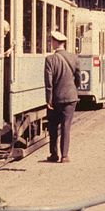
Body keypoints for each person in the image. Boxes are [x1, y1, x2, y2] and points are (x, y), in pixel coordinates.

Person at [44, 30, 80, 163]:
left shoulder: (50, 59)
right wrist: (74, 90)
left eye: (51, 41)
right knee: (66, 126)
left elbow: (48, 82)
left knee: (53, 127)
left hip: (56, 99)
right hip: (71, 97)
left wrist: (48, 100)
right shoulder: (74, 57)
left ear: (55, 42)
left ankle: (54, 155)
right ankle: (65, 156)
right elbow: (78, 77)